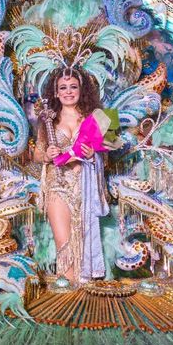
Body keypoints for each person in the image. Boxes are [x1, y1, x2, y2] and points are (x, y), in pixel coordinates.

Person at [33, 69, 109, 286]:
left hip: (84, 185)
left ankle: (83, 290)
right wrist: (47, 155)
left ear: (81, 90)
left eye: (73, 87)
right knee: (64, 242)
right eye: (63, 88)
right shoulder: (48, 120)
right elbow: (37, 153)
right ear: (55, 93)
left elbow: (106, 152)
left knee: (83, 241)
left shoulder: (95, 119)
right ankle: (68, 289)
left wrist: (93, 154)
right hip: (57, 185)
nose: (68, 92)